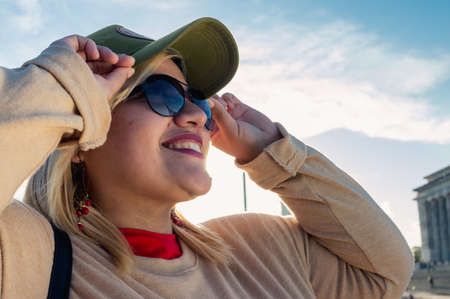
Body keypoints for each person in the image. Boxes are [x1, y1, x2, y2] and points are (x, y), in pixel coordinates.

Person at [0, 17, 413, 298]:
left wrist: (270, 149)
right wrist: (61, 88)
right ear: (84, 129)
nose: (198, 115)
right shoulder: (29, 258)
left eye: (195, 98)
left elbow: (386, 273)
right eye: (162, 94)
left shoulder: (260, 245)